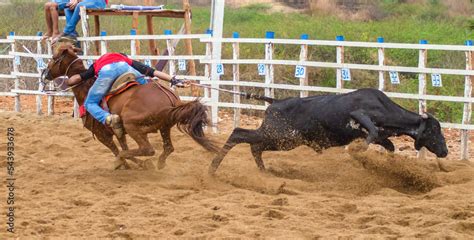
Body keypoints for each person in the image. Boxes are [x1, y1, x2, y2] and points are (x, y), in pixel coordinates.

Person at [66, 53, 188, 136]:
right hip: (128, 69)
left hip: (106, 72)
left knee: (90, 103)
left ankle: (108, 118)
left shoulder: (97, 63)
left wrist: (69, 80)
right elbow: (153, 72)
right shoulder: (125, 59)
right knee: (145, 86)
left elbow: (79, 78)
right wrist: (173, 80)